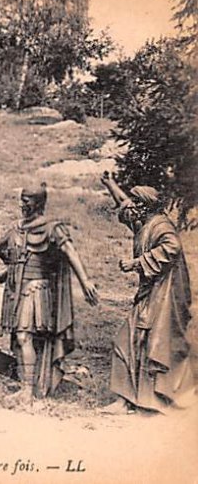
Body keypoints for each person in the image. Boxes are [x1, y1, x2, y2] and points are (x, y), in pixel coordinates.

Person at [0, 183, 99, 401]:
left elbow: (70, 251)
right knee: (20, 339)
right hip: (17, 290)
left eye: (26, 200)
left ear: (38, 202)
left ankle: (29, 391)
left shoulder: (52, 228)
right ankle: (28, 387)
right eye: (21, 199)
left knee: (24, 336)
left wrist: (85, 280)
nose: (21, 204)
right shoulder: (17, 228)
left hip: (36, 290)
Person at [100, 172, 195, 414]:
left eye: (135, 202)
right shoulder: (145, 221)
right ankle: (128, 399)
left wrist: (137, 263)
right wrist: (110, 184)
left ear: (145, 206)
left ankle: (153, 399)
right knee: (133, 341)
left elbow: (171, 248)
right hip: (150, 292)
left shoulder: (161, 226)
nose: (130, 206)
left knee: (143, 340)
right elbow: (125, 205)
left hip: (164, 296)